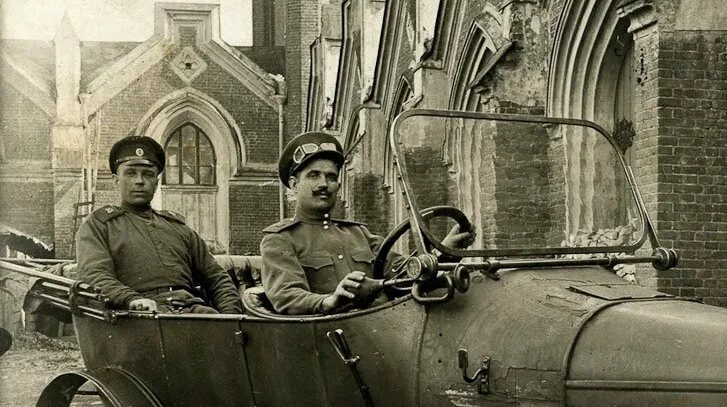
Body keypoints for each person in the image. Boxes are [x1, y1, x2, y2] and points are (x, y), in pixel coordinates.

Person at [261, 131, 469, 315]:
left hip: (391, 327)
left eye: (331, 177)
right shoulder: (280, 240)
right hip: (332, 338)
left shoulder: (359, 234)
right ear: (294, 185)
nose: (323, 184)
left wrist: (442, 251)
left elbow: (403, 274)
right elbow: (286, 295)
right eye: (313, 175)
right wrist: (329, 300)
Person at [76, 136, 243, 314]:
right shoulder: (100, 224)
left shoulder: (178, 227)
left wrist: (230, 316)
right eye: (131, 173)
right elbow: (95, 275)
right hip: (137, 315)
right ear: (116, 180)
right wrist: (132, 299)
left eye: (148, 174)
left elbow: (216, 277)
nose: (139, 181)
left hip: (192, 311)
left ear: (156, 182)